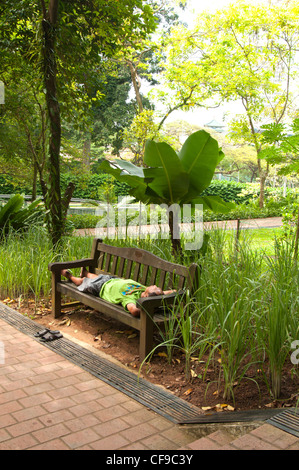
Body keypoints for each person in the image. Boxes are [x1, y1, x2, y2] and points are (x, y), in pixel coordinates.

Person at [61, 268, 176, 317]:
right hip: (112, 280)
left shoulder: (131, 299)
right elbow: (166, 293)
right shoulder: (143, 290)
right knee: (97, 276)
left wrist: (150, 308)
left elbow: (134, 311)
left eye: (153, 288)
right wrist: (176, 292)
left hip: (100, 288)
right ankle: (85, 273)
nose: (154, 285)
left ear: (146, 296)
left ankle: (70, 276)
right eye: (155, 287)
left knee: (84, 282)